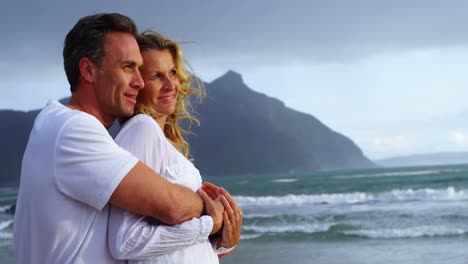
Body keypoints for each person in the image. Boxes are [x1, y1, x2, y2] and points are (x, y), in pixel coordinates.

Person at [13, 13, 225, 264]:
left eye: (139, 69)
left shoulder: (71, 130)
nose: (138, 82)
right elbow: (170, 207)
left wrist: (220, 238)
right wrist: (213, 215)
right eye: (128, 68)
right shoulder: (72, 129)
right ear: (89, 70)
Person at [108, 31, 242, 263]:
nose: (171, 85)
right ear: (137, 84)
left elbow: (180, 249)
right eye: (156, 76)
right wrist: (209, 224)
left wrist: (222, 242)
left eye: (172, 72)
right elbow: (126, 241)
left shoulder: (160, 140)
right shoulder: (142, 129)